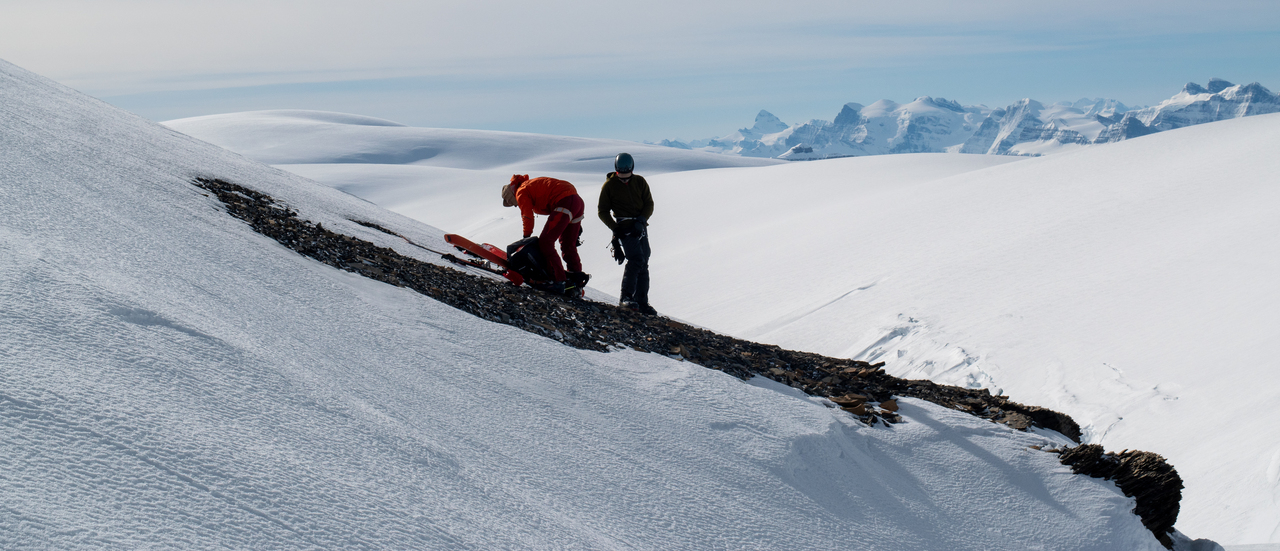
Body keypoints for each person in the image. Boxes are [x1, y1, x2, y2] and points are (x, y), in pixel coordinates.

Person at [501, 174, 589, 295]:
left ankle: (559, 281)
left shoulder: (521, 191)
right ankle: (576, 282)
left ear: (512, 196)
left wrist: (526, 237)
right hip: (576, 201)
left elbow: (527, 216)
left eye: (514, 203)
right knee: (568, 244)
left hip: (564, 201)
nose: (517, 205)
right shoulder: (530, 184)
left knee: (545, 242)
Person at [598, 153, 656, 315]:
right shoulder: (609, 186)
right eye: (621, 176)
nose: (624, 179)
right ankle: (626, 298)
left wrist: (642, 220)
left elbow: (649, 203)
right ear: (617, 170)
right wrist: (615, 229)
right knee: (636, 260)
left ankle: (641, 302)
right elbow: (603, 211)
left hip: (639, 227)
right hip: (624, 228)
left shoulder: (639, 181)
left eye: (627, 176)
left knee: (644, 261)